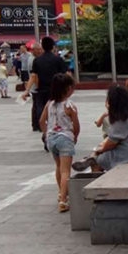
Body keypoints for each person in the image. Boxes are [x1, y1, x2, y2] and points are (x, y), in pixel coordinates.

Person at [72, 86, 128, 172]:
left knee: (99, 160)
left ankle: (94, 166)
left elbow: (112, 142)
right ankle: (90, 157)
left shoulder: (124, 117)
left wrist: (100, 150)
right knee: (101, 150)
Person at [38, 74, 79, 213]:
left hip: (52, 139)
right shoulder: (70, 106)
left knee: (59, 167)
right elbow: (76, 125)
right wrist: (75, 136)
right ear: (68, 89)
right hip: (65, 138)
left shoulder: (49, 104)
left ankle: (61, 192)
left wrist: (46, 134)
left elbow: (41, 121)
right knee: (66, 170)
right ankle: (63, 200)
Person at [22, 37, 69, 139]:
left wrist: (26, 90)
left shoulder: (37, 60)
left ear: (42, 47)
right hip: (56, 90)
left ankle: (44, 130)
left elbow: (33, 76)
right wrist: (69, 89)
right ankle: (57, 128)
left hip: (41, 90)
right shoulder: (58, 59)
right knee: (57, 109)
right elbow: (66, 75)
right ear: (53, 47)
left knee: (41, 109)